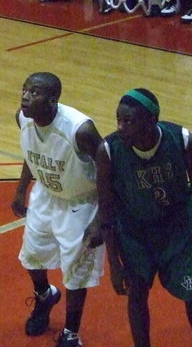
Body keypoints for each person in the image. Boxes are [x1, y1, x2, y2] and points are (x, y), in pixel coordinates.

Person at [12, 72, 105, 347]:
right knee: (32, 256)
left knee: (75, 273)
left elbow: (106, 167)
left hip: (80, 201)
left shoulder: (80, 129)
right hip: (46, 194)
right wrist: (21, 190)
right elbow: (31, 153)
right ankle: (45, 295)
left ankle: (71, 334)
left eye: (35, 92)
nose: (26, 96)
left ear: (53, 99)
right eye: (25, 89)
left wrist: (101, 218)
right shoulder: (22, 118)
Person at [96, 88, 192, 347]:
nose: (120, 127)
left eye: (128, 120)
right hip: (135, 234)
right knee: (136, 293)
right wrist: (114, 263)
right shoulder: (109, 150)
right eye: (118, 120)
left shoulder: (180, 138)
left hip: (178, 230)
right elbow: (106, 207)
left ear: (151, 120)